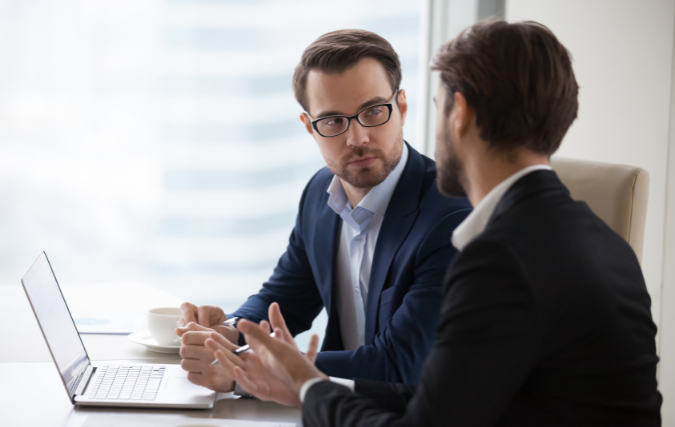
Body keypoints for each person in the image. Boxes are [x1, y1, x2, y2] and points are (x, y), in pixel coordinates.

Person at [205, 20, 663, 426]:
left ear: (458, 113)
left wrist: (299, 381)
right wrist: (247, 343)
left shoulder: (494, 253)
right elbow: (449, 401)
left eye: (438, 104)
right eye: (334, 121)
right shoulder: (602, 241)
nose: (358, 135)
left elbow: (416, 392)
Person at [175, 29, 472, 394]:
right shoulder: (320, 193)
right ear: (309, 128)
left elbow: (399, 363)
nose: (358, 137)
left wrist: (246, 366)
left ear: (403, 107)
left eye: (374, 111)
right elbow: (286, 298)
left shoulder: (451, 217)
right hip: (330, 409)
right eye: (333, 121)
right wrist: (228, 332)